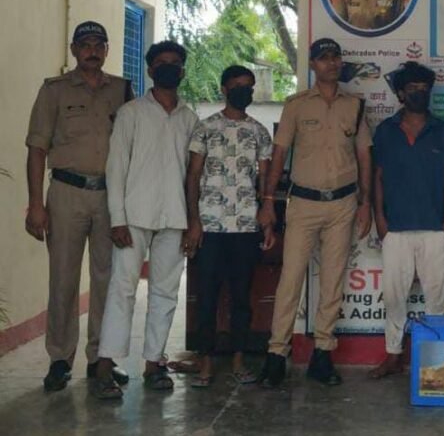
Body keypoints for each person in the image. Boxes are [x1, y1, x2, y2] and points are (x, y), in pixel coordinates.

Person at [257, 38, 372, 388]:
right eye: (323, 58)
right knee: (291, 279)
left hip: (342, 203)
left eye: (335, 57)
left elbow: (364, 156)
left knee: (332, 281)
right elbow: (279, 155)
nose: (331, 63)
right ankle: (277, 354)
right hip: (303, 204)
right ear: (313, 65)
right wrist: (268, 201)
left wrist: (365, 203)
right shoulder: (296, 105)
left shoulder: (355, 106)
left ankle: (323, 353)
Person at [25, 21, 132, 392]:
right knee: (63, 279)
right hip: (66, 193)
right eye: (85, 44)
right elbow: (36, 149)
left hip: (109, 196)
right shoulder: (54, 90)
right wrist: (35, 204)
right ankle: (59, 358)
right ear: (73, 50)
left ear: (107, 50)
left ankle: (100, 358)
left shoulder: (121, 90)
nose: (92, 51)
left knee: (107, 279)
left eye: (99, 45)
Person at [92, 40, 199, 399]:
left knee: (165, 293)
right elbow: (116, 167)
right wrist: (117, 219)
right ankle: (105, 365)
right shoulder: (131, 113)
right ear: (151, 70)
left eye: (175, 63)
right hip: (132, 217)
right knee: (122, 289)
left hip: (174, 218)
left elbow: (192, 176)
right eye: (162, 62)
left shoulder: (189, 118)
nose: (169, 67)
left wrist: (192, 222)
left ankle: (154, 364)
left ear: (182, 71)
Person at [182, 65, 273, 388]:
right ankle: (205, 364)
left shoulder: (259, 131)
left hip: (246, 226)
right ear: (224, 89)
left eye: (248, 86)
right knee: (206, 297)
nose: (243, 91)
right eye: (237, 86)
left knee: (241, 298)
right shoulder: (206, 128)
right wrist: (193, 221)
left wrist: (266, 219)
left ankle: (238, 360)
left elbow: (265, 179)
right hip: (209, 226)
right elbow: (193, 176)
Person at [369, 62, 444, 379]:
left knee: (437, 298)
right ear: (401, 93)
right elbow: (377, 177)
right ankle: (394, 355)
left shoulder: (443, 131)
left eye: (424, 88)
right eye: (413, 88)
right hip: (396, 226)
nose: (419, 93)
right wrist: (380, 218)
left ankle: (432, 360)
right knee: (394, 297)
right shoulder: (385, 131)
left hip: (435, 227)